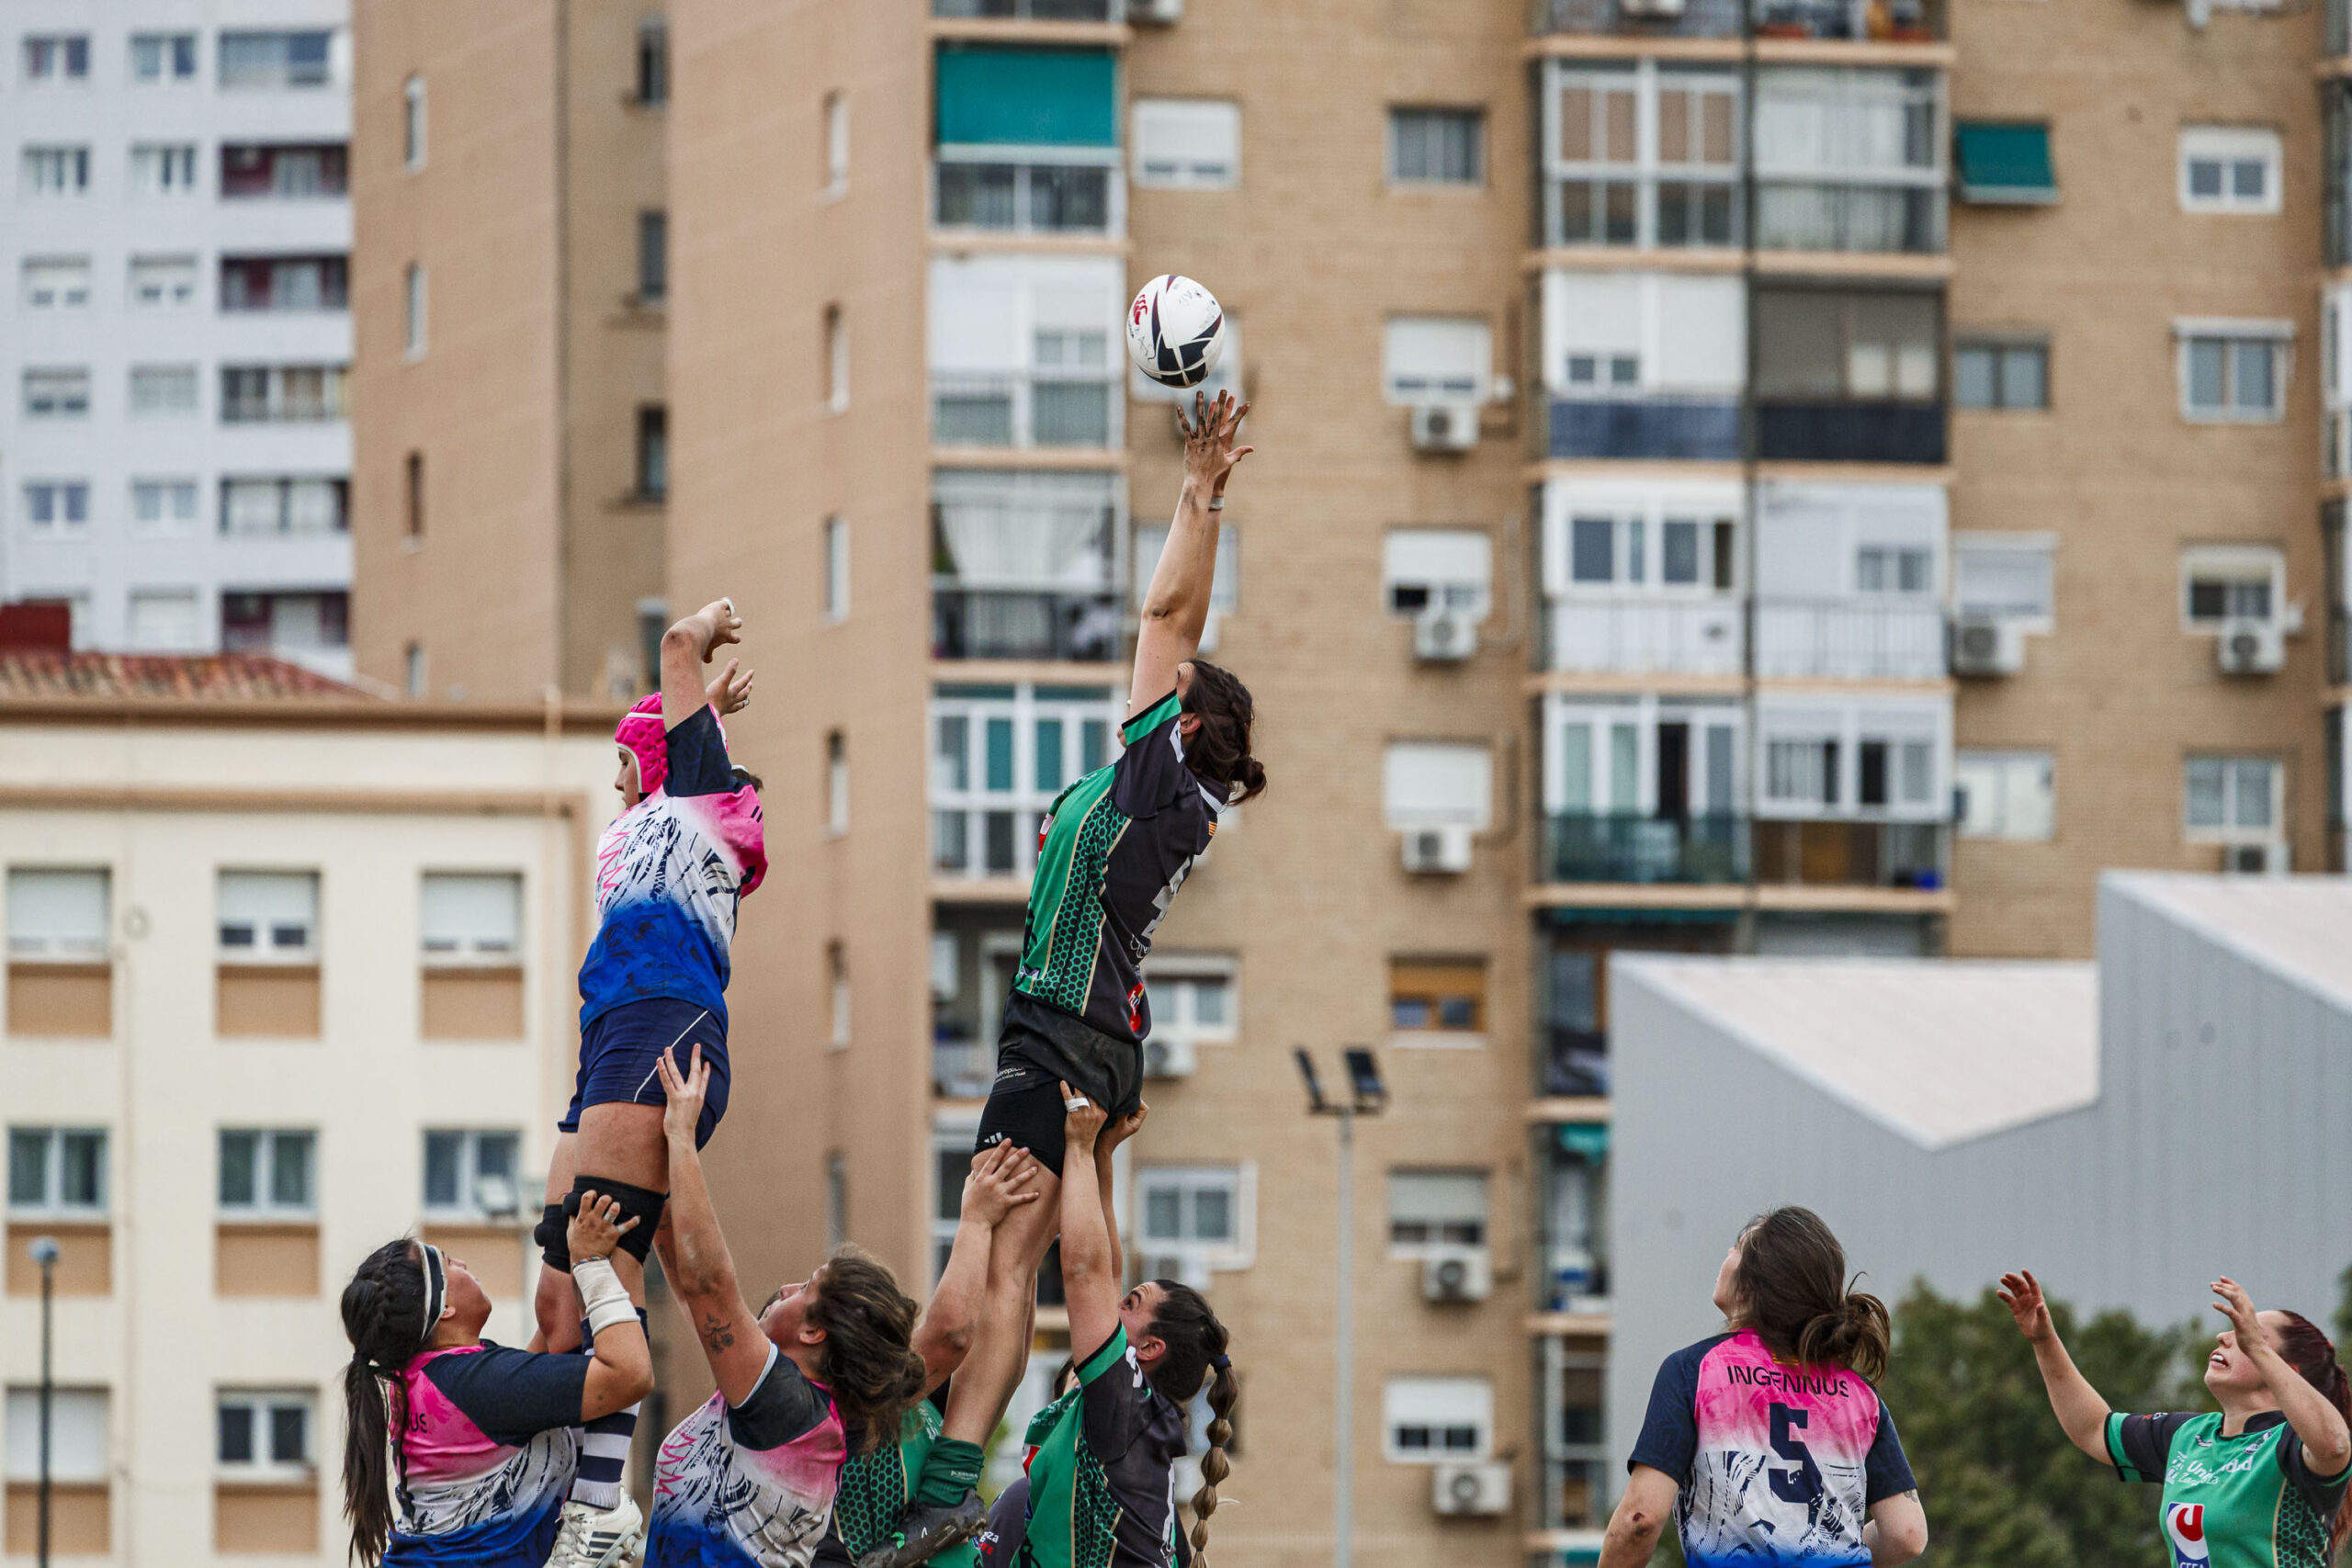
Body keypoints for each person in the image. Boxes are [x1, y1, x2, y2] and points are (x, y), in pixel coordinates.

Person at [894, 389, 1265, 1562]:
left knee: (992, 1276)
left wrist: (1201, 493)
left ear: (1189, 728)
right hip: (1086, 1035)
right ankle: (948, 1468)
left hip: (1062, 1032)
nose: (1151, 686)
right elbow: (1164, 626)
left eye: (1173, 692)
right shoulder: (1163, 792)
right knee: (1009, 1275)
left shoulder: (1159, 781)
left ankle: (939, 1475)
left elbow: (1165, 610)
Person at [530, 598, 763, 1554]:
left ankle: (600, 1512)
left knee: (603, 1288)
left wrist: (704, 633)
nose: (616, 778)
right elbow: (655, 744)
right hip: (605, 1047)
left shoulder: (703, 810)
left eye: (625, 762)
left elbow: (669, 652)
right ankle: (547, 1500)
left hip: (666, 1032)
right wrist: (700, 701)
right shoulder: (637, 826)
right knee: (553, 1311)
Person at [645, 1045, 933, 1567]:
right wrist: (657, 1181)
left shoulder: (787, 1408)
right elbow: (692, 1292)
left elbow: (710, 1283)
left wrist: (681, 1136)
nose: (784, 1289)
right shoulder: (785, 1407)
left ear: (814, 1333)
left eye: (805, 1288)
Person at [1602, 1207, 1928, 1568]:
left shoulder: (1694, 1371)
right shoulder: (1859, 1394)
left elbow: (1640, 1520)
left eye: (1739, 1247)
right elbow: (1908, 1535)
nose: (1727, 1254)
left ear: (1755, 1283)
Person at [338, 1197, 650, 1568]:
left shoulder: (429, 1379)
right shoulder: (475, 1385)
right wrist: (591, 1263)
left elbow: (549, 1362)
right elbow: (630, 1374)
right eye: (450, 1263)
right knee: (609, 1357)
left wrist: (560, 1241)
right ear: (445, 1307)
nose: (464, 1264)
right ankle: (597, 1509)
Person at [1999, 1269, 2352, 1568]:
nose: (2226, 1336)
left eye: (2249, 1334)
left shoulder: (2292, 1445)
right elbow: (2093, 1429)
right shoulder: (2188, 1435)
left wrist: (2256, 1349)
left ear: (2285, 1371)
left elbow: (2336, 1445)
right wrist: (2044, 1341)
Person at [814, 1143, 1043, 1568]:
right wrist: (975, 1220)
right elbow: (951, 1334)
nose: (796, 1289)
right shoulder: (845, 1412)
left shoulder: (916, 1417)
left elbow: (1005, 1370)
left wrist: (1035, 1236)